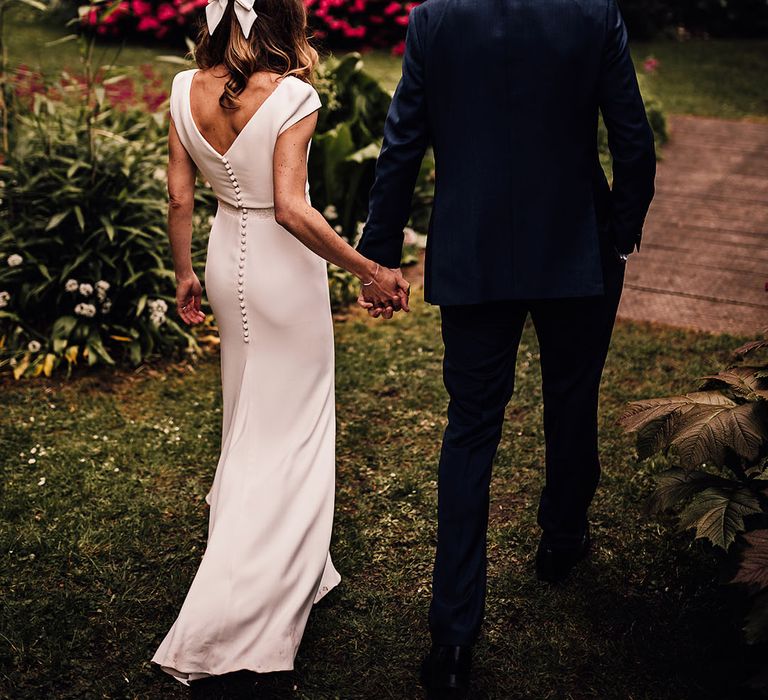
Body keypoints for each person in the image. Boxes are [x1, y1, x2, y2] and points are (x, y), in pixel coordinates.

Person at [356, 0, 657, 697]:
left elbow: (402, 141)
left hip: (472, 250)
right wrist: (622, 226)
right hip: (576, 243)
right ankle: (561, 536)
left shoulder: (436, 17)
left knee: (470, 431)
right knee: (572, 398)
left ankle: (453, 640)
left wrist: (379, 254)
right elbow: (632, 138)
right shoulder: (592, 13)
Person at [151, 0, 409, 689]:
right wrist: (373, 270)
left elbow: (180, 200)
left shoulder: (181, 90)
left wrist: (183, 274)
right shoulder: (293, 93)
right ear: (283, 21)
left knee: (249, 412)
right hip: (282, 268)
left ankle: (289, 558)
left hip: (221, 257)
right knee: (293, 422)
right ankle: (258, 588)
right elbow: (292, 209)